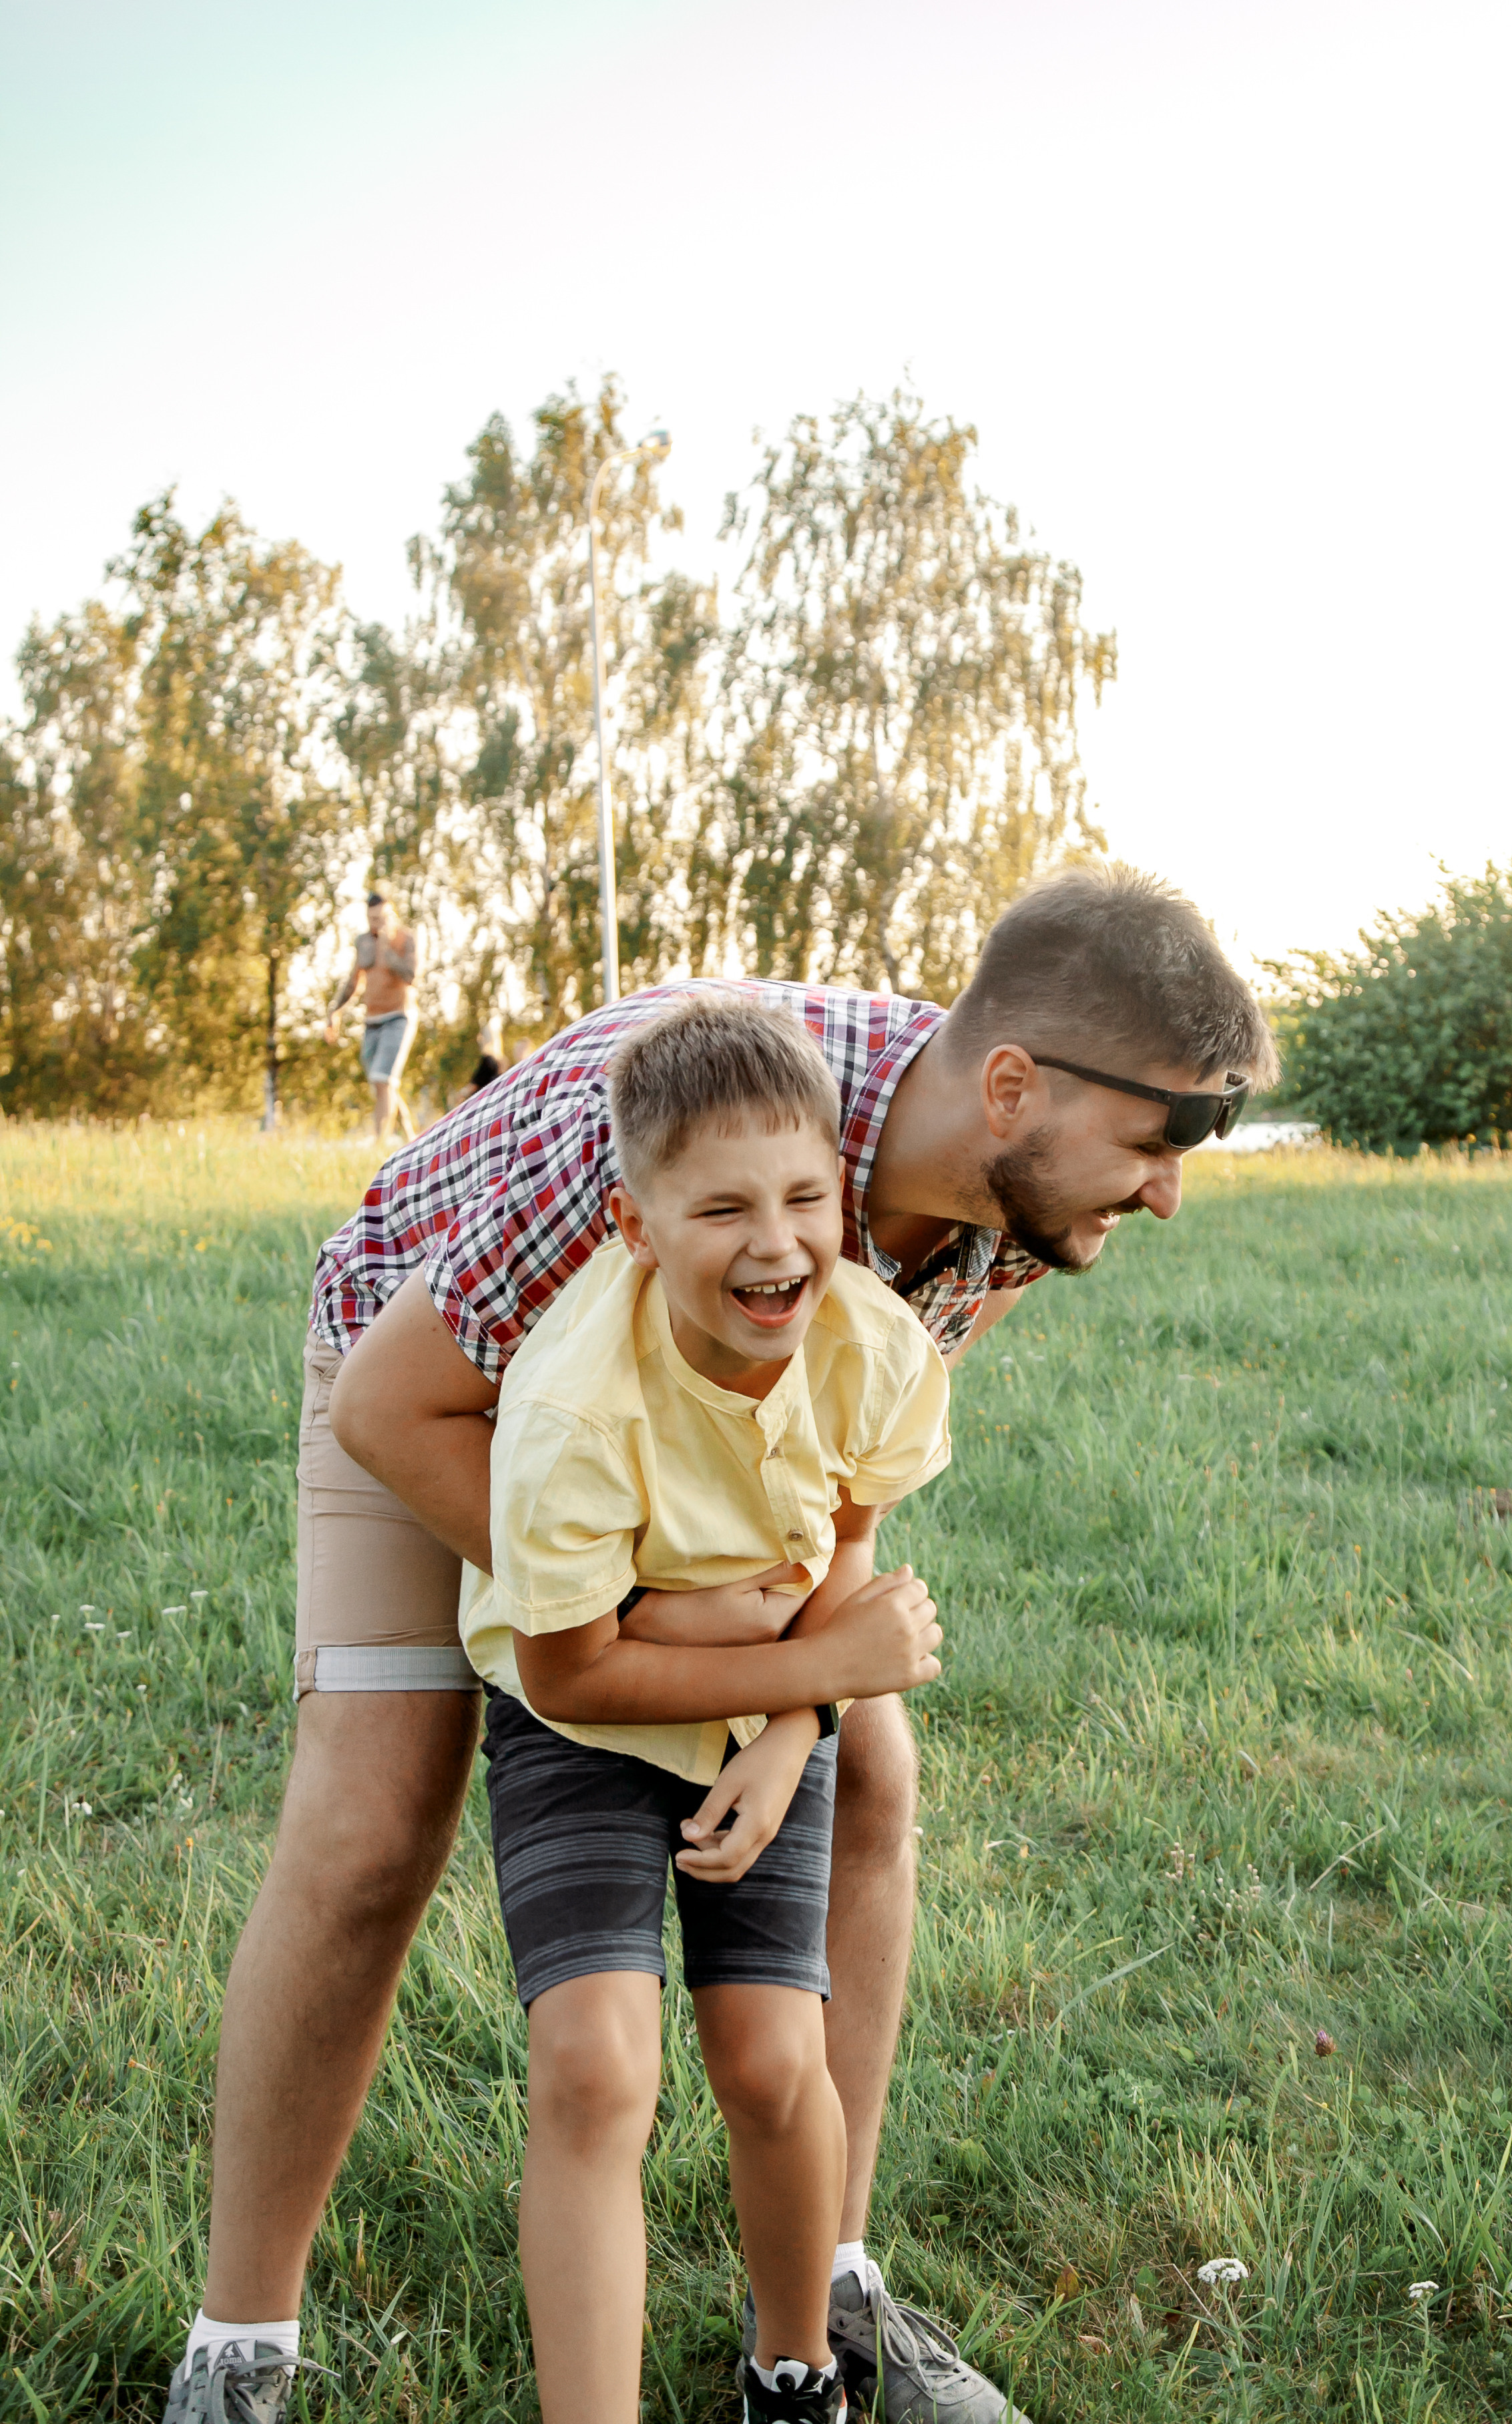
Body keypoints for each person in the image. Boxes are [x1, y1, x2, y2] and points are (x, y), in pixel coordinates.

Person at [163, 864, 1278, 2424]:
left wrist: (786, 1709)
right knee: (373, 1816)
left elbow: (834, 1493)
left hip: (698, 1455)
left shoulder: (1017, 1205)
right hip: (441, 1383)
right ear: (1012, 1087)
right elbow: (393, 1409)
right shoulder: (674, 1117)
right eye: (1161, 1140)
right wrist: (634, 1617)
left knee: (868, 1767)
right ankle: (239, 2348)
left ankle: (823, 2294)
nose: (1165, 1191)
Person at [469, 996, 953, 2422]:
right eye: (722, 1208)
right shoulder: (570, 1411)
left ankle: (794, 2371)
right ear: (634, 1224)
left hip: (766, 1704)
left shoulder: (876, 1348)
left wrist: (797, 1725)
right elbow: (572, 1673)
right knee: (595, 2066)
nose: (775, 1242)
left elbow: (846, 1548)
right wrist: (812, 1672)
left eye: (805, 1197)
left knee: (772, 2055)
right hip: (580, 1716)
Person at [324, 887, 419, 1141]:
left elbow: (411, 976)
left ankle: (379, 1141)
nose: (375, 924)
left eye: (380, 919)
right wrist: (335, 1011)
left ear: (391, 916)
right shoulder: (364, 941)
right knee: (384, 1083)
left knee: (382, 1079)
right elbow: (353, 981)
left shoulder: (406, 939)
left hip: (399, 1017)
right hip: (372, 1020)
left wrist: (387, 951)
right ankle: (411, 1136)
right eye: (371, 919)